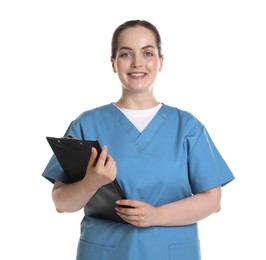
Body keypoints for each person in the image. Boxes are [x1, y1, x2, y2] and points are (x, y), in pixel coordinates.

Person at [42, 19, 235, 260]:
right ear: (113, 63)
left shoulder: (187, 127)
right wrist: (91, 182)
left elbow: (213, 200)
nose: (137, 63)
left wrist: (156, 216)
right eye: (125, 54)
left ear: (160, 62)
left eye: (147, 53)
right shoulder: (86, 125)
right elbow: (61, 203)